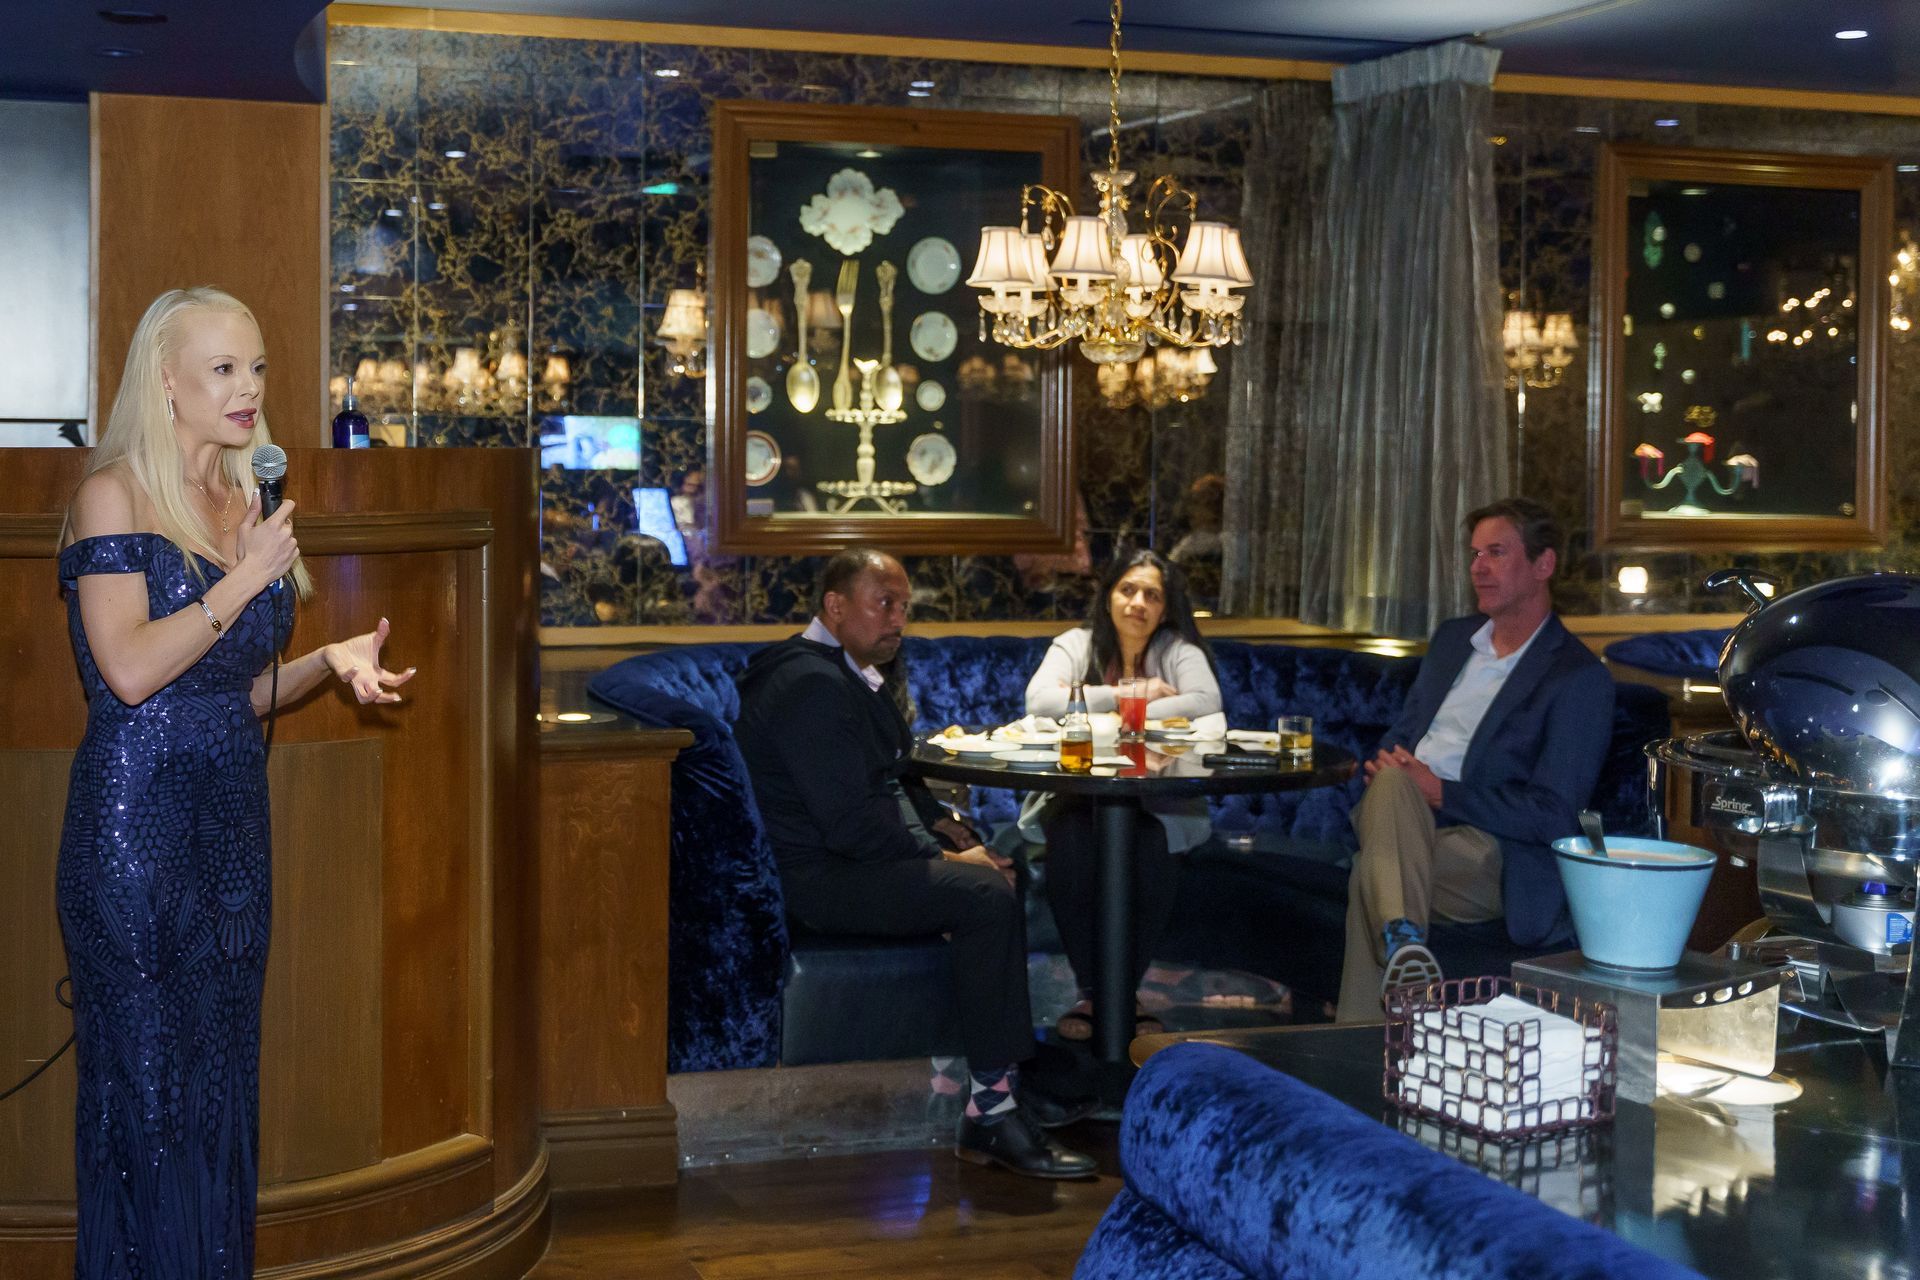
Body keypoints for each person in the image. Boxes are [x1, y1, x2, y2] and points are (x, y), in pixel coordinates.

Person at [57, 287, 417, 1276]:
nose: (248, 388)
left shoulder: (240, 497)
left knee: (219, 1105)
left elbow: (228, 695)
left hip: (231, 847)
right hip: (133, 845)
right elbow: (130, 672)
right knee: (150, 1110)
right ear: (165, 381)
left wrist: (326, 661)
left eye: (255, 367)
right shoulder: (112, 497)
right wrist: (247, 577)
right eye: (222, 368)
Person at [734, 549, 1096, 1180]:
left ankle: (1004, 1073)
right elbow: (849, 824)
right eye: (884, 604)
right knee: (985, 894)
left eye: (904, 606)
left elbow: (893, 775)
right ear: (835, 606)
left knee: (999, 874)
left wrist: (952, 831)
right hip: (820, 881)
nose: (899, 619)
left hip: (852, 860)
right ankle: (992, 1113)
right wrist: (946, 858)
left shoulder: (841, 670)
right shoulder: (808, 686)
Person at [1335, 497, 1613, 1022]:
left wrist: (1441, 792)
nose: (1478, 567)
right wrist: (1388, 765)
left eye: (1496, 553)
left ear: (1543, 564)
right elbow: (1403, 734)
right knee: (1391, 792)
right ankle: (1404, 955)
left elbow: (1554, 814)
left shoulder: (1578, 678)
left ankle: (1381, 994)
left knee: (1371, 871)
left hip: (1491, 854)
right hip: (1404, 821)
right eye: (1475, 554)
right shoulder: (1451, 641)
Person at [1024, 550, 1222, 1043]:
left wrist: (1099, 706)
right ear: (1108, 595)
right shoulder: (1077, 643)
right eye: (1128, 590)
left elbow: (1206, 703)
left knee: (1150, 842)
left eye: (1152, 595)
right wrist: (1129, 695)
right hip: (1076, 794)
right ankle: (1098, 993)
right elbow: (1040, 702)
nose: (1138, 603)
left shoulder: (1178, 649)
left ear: (1165, 607)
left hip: (1161, 799)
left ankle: (1121, 994)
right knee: (1069, 837)